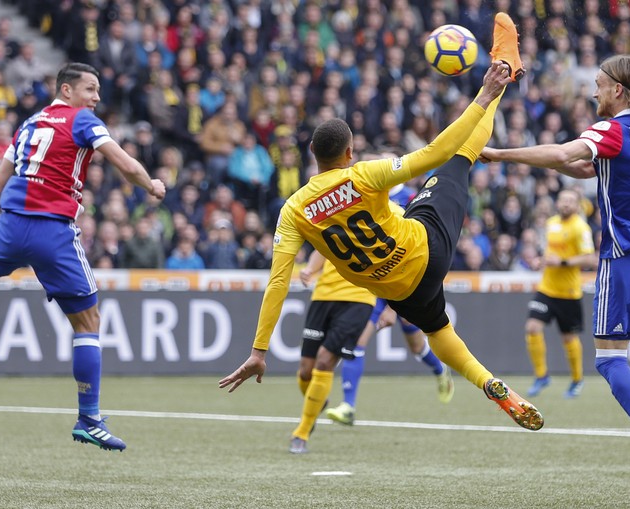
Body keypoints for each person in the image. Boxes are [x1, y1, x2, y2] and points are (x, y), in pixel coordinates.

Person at [220, 14, 544, 455]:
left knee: (437, 329)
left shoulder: (292, 211)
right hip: (426, 249)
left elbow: (277, 282)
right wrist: (486, 94)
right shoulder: (364, 175)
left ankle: (486, 381)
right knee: (459, 158)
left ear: (311, 154)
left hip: (397, 289)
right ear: (349, 152)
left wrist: (259, 350)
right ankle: (504, 72)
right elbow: (435, 151)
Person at [0, 63, 166, 452]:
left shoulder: (28, 125)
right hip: (52, 230)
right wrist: (152, 184)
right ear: (67, 89)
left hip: (9, 223)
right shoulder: (82, 120)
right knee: (88, 321)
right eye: (90, 89)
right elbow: (124, 164)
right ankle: (89, 418)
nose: (96, 97)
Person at [480, 54, 630, 500]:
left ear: (616, 90)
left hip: (627, 257)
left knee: (610, 360)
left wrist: (497, 154)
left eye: (597, 84)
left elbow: (563, 153)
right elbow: (581, 167)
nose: (592, 92)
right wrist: (548, 164)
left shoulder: (611, 129)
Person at [326, 176, 454, 427]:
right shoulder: (364, 195)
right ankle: (348, 406)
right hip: (375, 280)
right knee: (356, 341)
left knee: (416, 346)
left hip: (403, 277)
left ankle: (440, 370)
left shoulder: (409, 197)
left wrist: (394, 306)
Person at [291, 250, 376, 453]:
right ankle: (319, 400)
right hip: (322, 296)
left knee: (324, 361)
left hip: (359, 298)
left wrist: (391, 308)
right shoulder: (333, 217)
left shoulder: (392, 217)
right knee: (305, 371)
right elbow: (323, 247)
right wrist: (311, 269)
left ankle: (302, 433)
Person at [523, 189, 597, 399]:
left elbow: (590, 258)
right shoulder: (551, 223)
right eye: (563, 200)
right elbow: (551, 252)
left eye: (570, 201)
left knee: (568, 338)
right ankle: (541, 375)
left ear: (577, 205)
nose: (565, 204)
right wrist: (542, 260)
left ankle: (577, 379)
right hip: (547, 288)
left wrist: (563, 262)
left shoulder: (580, 228)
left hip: (569, 293)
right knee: (532, 327)